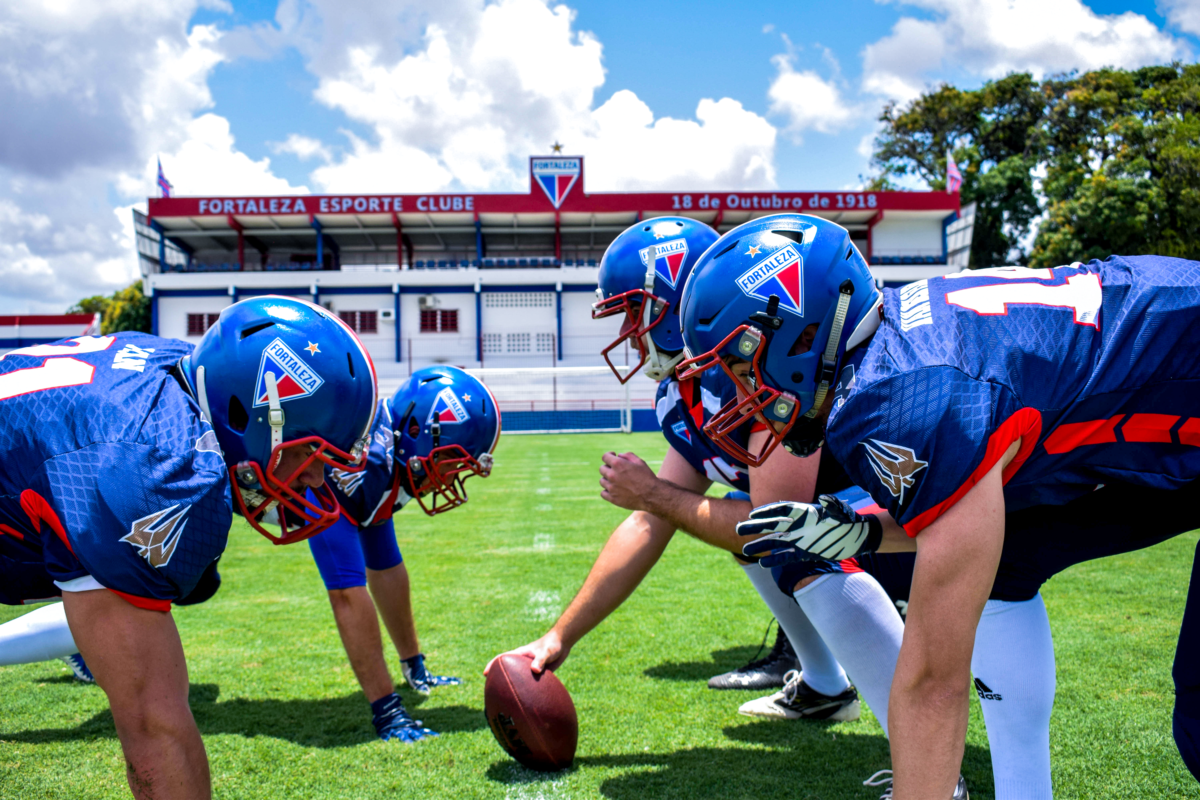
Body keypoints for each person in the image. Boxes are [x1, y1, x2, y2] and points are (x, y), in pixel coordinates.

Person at [677, 212, 1200, 798]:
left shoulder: (898, 398)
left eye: (743, 367)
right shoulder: (890, 346)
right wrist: (863, 532)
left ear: (801, 335)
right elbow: (969, 516)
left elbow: (933, 683)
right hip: (1161, 401)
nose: (740, 396)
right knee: (1013, 554)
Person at [488, 216, 906, 725]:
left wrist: (652, 493)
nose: (626, 332)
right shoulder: (686, 391)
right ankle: (824, 686)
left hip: (902, 524)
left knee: (779, 535)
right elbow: (650, 522)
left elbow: (772, 520)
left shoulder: (763, 365)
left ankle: (923, 756)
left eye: (634, 312)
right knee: (750, 532)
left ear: (670, 303)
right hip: (858, 523)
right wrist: (560, 635)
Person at [0, 296, 377, 800]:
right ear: (251, 412)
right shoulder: (152, 467)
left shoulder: (173, 367)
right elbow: (155, 732)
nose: (314, 479)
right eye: (312, 452)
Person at [306, 365, 500, 742]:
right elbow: (347, 592)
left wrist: (414, 665)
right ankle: (386, 710)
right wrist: (388, 711)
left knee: (386, 561)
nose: (449, 477)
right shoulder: (370, 462)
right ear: (418, 430)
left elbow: (386, 566)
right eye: (450, 463)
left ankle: (414, 668)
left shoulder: (390, 458)